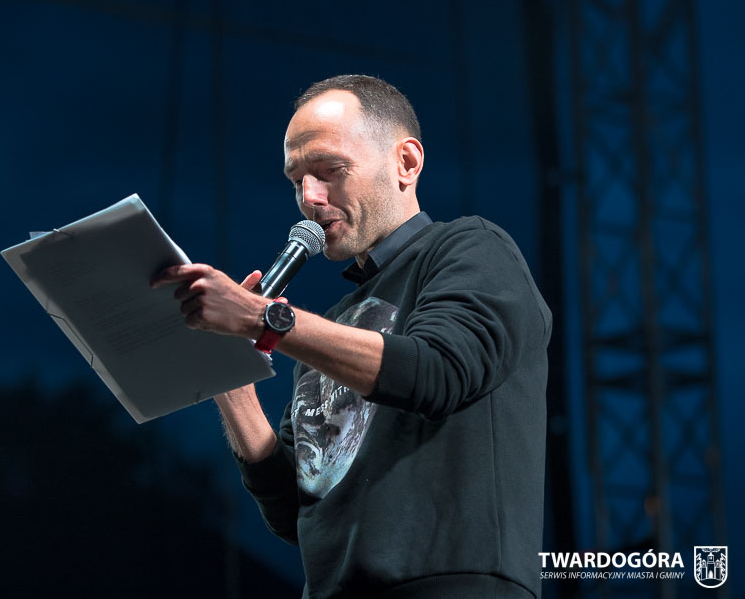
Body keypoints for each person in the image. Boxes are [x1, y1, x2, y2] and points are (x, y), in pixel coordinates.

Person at [152, 75, 552, 598]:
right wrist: (230, 377)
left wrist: (262, 318)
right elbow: (298, 510)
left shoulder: (470, 248)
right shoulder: (334, 324)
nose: (309, 198)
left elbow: (437, 371)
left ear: (406, 162)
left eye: (330, 171)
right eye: (297, 180)